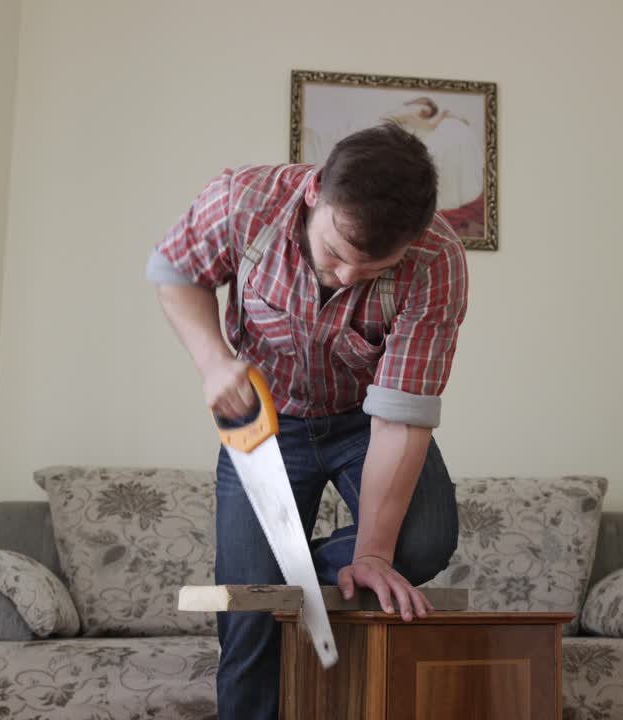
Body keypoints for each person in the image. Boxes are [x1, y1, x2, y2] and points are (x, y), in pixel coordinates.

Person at [146, 122, 468, 719]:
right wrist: (213, 361)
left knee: (420, 542)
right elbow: (176, 272)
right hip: (266, 420)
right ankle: (263, 583)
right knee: (250, 624)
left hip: (364, 422)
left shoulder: (436, 262)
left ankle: (275, 575)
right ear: (315, 191)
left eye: (372, 269)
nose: (347, 277)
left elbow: (399, 420)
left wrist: (371, 554)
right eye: (338, 255)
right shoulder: (243, 200)